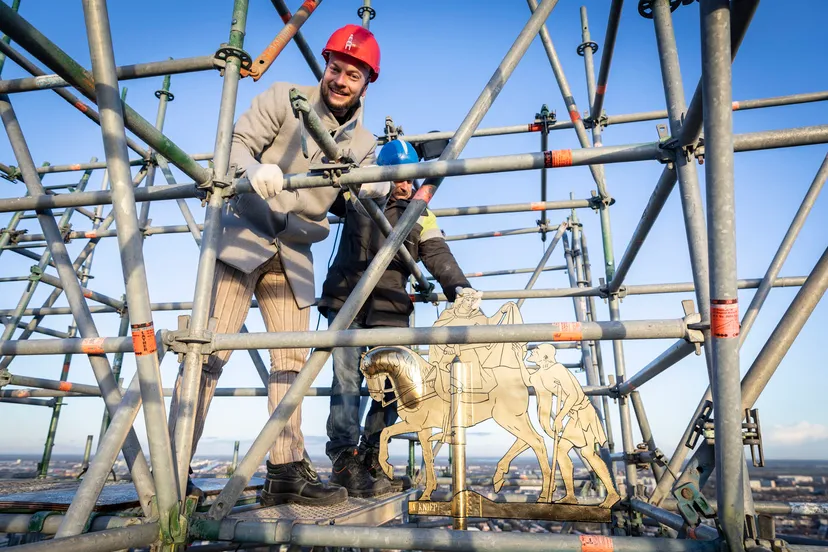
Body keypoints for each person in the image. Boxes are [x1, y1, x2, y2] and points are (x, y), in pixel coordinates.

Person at [167, 24, 388, 507]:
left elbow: (356, 196)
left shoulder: (364, 142)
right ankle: (173, 468)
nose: (341, 80)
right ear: (325, 66)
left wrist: (373, 188)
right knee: (207, 354)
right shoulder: (282, 98)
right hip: (244, 234)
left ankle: (285, 471)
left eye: (353, 74)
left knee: (290, 363)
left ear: (366, 83)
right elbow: (236, 143)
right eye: (335, 68)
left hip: (294, 251)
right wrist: (254, 169)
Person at [318, 139, 474, 494]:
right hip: (347, 301)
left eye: (411, 177)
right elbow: (328, 193)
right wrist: (352, 171)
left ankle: (374, 456)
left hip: (388, 309)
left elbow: (437, 252)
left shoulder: (421, 212)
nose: (406, 184)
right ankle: (344, 458)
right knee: (345, 381)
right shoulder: (359, 198)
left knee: (387, 389)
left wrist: (458, 287)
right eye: (399, 177)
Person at [518, 343, 620, 507]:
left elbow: (573, 395)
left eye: (536, 351)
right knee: (572, 452)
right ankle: (572, 495)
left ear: (545, 356)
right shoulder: (540, 374)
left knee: (585, 453)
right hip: (575, 416)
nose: (533, 352)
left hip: (583, 413)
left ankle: (611, 493)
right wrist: (518, 358)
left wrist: (559, 417)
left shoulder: (557, 369)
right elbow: (528, 380)